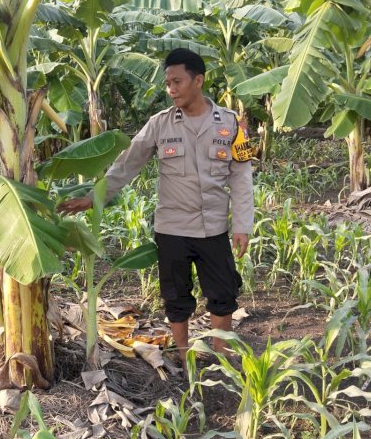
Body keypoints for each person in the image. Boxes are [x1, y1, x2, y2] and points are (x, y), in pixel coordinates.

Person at [58, 48, 254, 363]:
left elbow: (242, 177)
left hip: (214, 229)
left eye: (177, 82)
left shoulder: (230, 124)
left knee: (222, 296)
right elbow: (126, 165)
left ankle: (222, 361)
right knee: (176, 298)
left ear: (198, 80)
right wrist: (95, 198)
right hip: (172, 228)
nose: (170, 89)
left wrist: (243, 225)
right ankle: (181, 356)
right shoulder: (160, 124)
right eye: (167, 83)